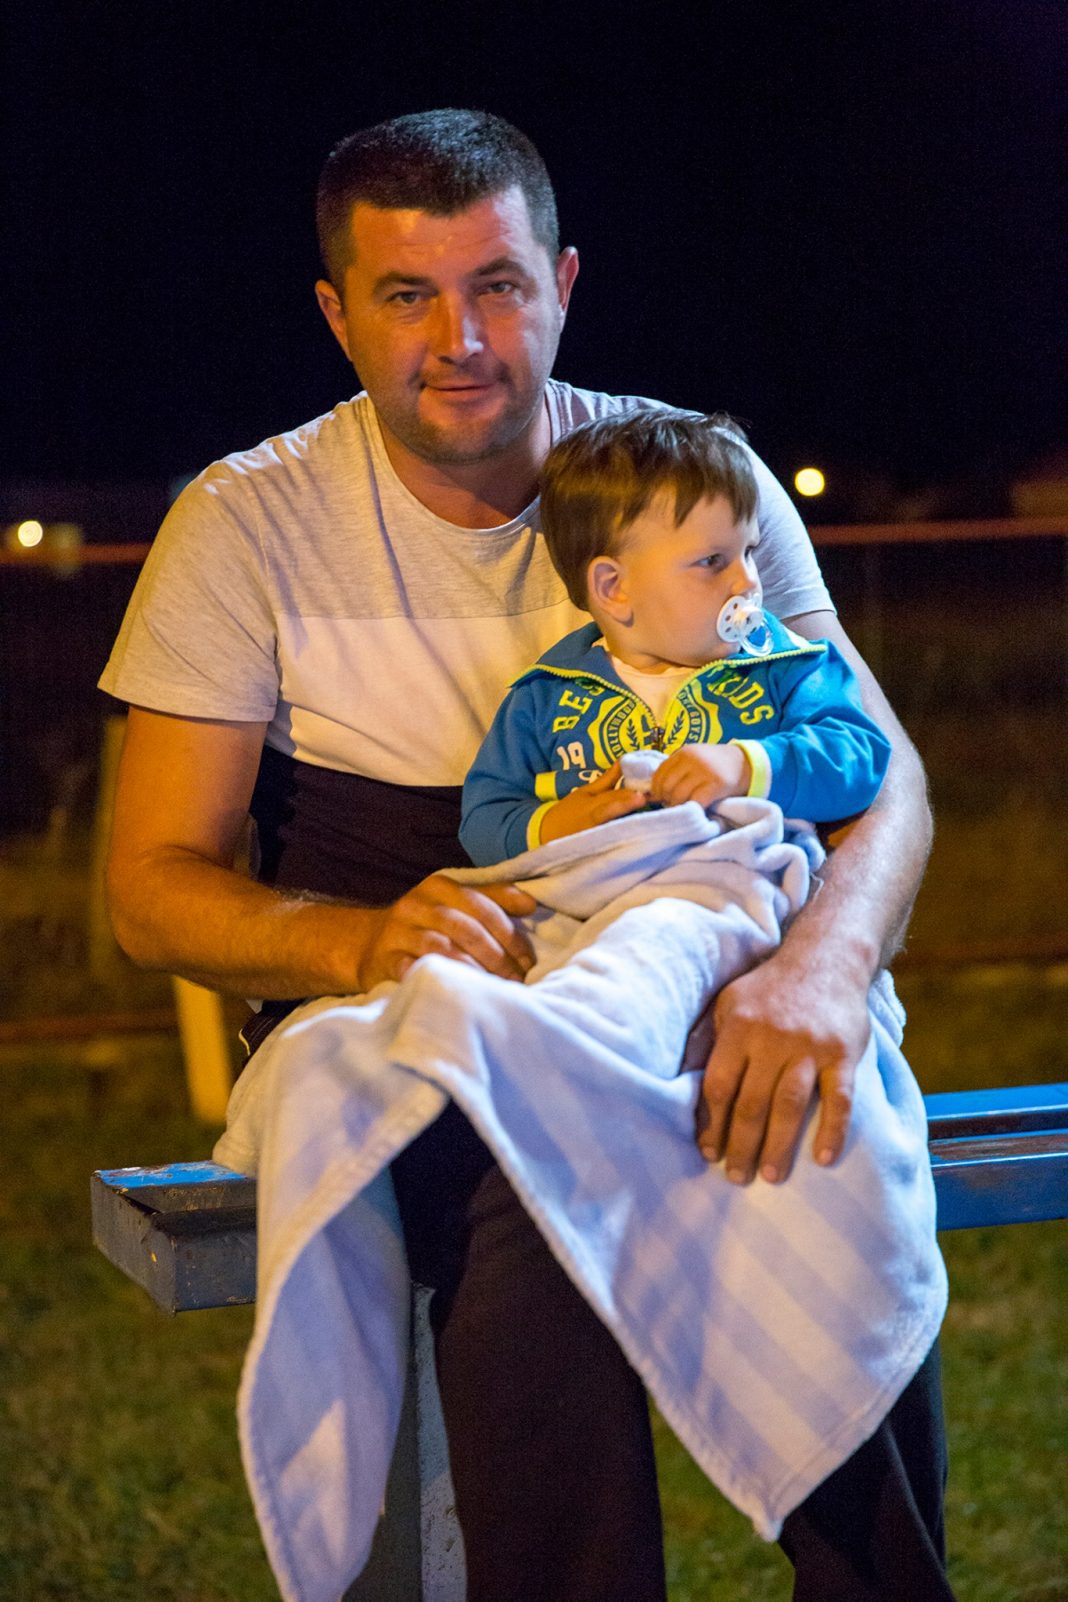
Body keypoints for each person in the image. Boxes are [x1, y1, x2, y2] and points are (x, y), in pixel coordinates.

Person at [101, 109, 951, 1601]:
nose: (462, 340)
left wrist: (819, 976)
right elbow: (150, 881)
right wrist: (356, 938)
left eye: (497, 285)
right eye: (408, 295)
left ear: (561, 282)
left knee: (820, 1123)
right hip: (408, 981)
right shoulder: (246, 523)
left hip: (694, 945)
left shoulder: (695, 477)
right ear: (336, 314)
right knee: (518, 1175)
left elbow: (889, 778)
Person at [460, 407, 892, 865]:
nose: (748, 581)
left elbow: (860, 755)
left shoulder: (789, 666)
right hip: (589, 894)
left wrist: (746, 766)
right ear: (614, 588)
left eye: (748, 551)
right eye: (712, 561)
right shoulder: (543, 696)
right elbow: (483, 818)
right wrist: (555, 824)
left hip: (738, 884)